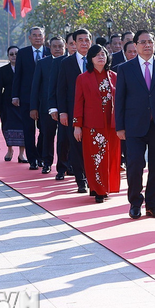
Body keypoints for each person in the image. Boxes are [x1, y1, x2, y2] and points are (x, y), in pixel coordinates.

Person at [116, 30, 155, 219]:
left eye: (150, 41)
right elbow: (119, 99)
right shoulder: (126, 69)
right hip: (134, 125)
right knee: (134, 165)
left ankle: (153, 204)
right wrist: (119, 126)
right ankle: (135, 202)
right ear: (135, 45)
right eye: (143, 42)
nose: (147, 45)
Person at [73, 44, 121, 203]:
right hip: (92, 125)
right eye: (97, 55)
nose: (101, 57)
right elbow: (78, 103)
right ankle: (97, 189)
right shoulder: (82, 78)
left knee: (110, 156)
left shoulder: (115, 76)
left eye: (103, 54)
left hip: (111, 124)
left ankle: (105, 187)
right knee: (95, 157)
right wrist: (77, 126)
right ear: (91, 58)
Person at [57, 29, 92, 193]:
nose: (84, 43)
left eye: (87, 40)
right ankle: (80, 180)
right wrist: (62, 111)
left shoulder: (97, 60)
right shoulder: (66, 63)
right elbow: (61, 89)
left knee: (92, 146)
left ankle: (92, 178)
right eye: (80, 40)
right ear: (75, 43)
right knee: (76, 146)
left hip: (94, 113)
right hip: (72, 112)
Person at [12, 26, 48, 171]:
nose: (37, 37)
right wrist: (15, 95)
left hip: (44, 98)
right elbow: (18, 76)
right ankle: (32, 159)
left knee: (44, 129)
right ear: (29, 38)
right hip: (26, 97)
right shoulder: (23, 53)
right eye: (34, 35)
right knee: (28, 129)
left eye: (40, 35)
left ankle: (40, 156)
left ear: (44, 37)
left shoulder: (49, 51)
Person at [30, 37, 65, 175]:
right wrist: (34, 107)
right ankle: (47, 162)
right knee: (47, 135)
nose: (57, 49)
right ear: (49, 48)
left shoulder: (69, 62)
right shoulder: (42, 63)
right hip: (46, 106)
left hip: (65, 107)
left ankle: (65, 164)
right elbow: (35, 87)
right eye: (54, 46)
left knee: (64, 139)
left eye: (60, 46)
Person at [0, 46, 26, 163]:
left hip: (22, 103)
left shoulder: (25, 69)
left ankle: (22, 154)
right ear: (8, 56)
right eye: (11, 54)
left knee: (23, 129)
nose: (14, 56)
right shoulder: (2, 70)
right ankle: (10, 150)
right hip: (6, 104)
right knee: (7, 128)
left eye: (16, 54)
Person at [49, 34, 75, 181]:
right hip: (63, 107)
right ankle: (61, 168)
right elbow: (53, 87)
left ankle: (74, 166)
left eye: (75, 43)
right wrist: (53, 107)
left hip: (80, 108)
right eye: (70, 43)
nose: (73, 46)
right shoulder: (59, 62)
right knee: (63, 139)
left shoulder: (86, 60)